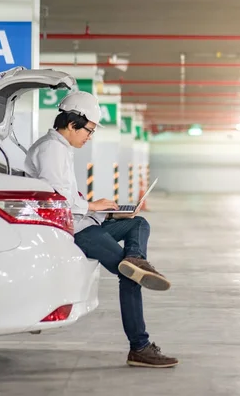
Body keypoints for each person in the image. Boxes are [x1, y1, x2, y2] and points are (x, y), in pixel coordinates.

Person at [24, 91, 178, 368]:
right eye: (89, 130)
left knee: (138, 223)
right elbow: (55, 199)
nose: (89, 137)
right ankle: (140, 347)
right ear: (72, 124)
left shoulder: (60, 147)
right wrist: (93, 206)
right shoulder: (52, 149)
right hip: (76, 229)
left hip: (84, 221)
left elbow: (66, 194)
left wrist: (103, 209)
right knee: (130, 278)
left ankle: (135, 258)